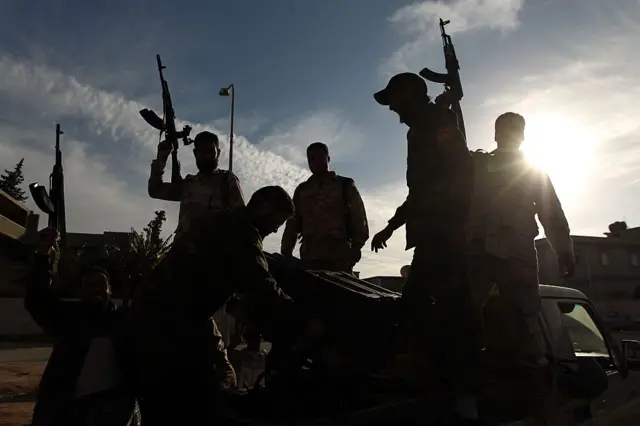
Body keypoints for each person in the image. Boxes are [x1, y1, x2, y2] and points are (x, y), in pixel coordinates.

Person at [134, 186, 308, 426]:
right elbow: (260, 284)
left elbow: (220, 276)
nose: (275, 229)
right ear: (265, 207)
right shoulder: (243, 232)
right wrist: (303, 320)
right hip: (173, 322)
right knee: (201, 401)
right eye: (277, 222)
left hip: (161, 315)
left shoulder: (221, 220)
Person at [371, 72, 483, 425]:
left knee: (457, 313)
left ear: (410, 98)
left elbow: (462, 176)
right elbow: (419, 191)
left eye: (395, 101)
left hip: (445, 235)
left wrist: (453, 224)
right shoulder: (416, 132)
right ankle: (430, 377)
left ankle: (466, 399)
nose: (393, 110)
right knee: (414, 308)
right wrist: (393, 223)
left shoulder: (439, 122)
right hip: (430, 235)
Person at [467, 112, 575, 368]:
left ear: (523, 136)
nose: (510, 134)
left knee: (525, 318)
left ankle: (532, 377)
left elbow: (552, 212)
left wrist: (564, 251)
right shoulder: (476, 164)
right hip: (476, 250)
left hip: (516, 250)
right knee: (464, 314)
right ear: (495, 134)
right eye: (505, 129)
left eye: (516, 129)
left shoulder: (532, 171)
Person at [147, 130, 243, 389]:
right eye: (201, 152)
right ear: (195, 154)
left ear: (218, 153)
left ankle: (223, 366)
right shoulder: (189, 183)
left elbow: (241, 221)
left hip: (211, 258)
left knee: (200, 312)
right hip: (183, 256)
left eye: (210, 151)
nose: (206, 156)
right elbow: (155, 190)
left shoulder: (226, 181)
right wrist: (162, 156)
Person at [25, 227, 136, 426]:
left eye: (101, 285)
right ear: (81, 290)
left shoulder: (123, 321)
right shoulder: (68, 317)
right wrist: (43, 255)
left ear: (110, 290)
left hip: (113, 414)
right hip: (68, 414)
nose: (96, 289)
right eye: (90, 285)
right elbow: (36, 299)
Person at [281, 142, 369, 273]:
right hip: (309, 256)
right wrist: (286, 252)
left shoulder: (344, 185)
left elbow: (359, 217)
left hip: (339, 256)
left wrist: (356, 247)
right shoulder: (302, 190)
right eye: (310, 158)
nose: (314, 162)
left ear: (328, 158)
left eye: (318, 157)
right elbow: (293, 223)